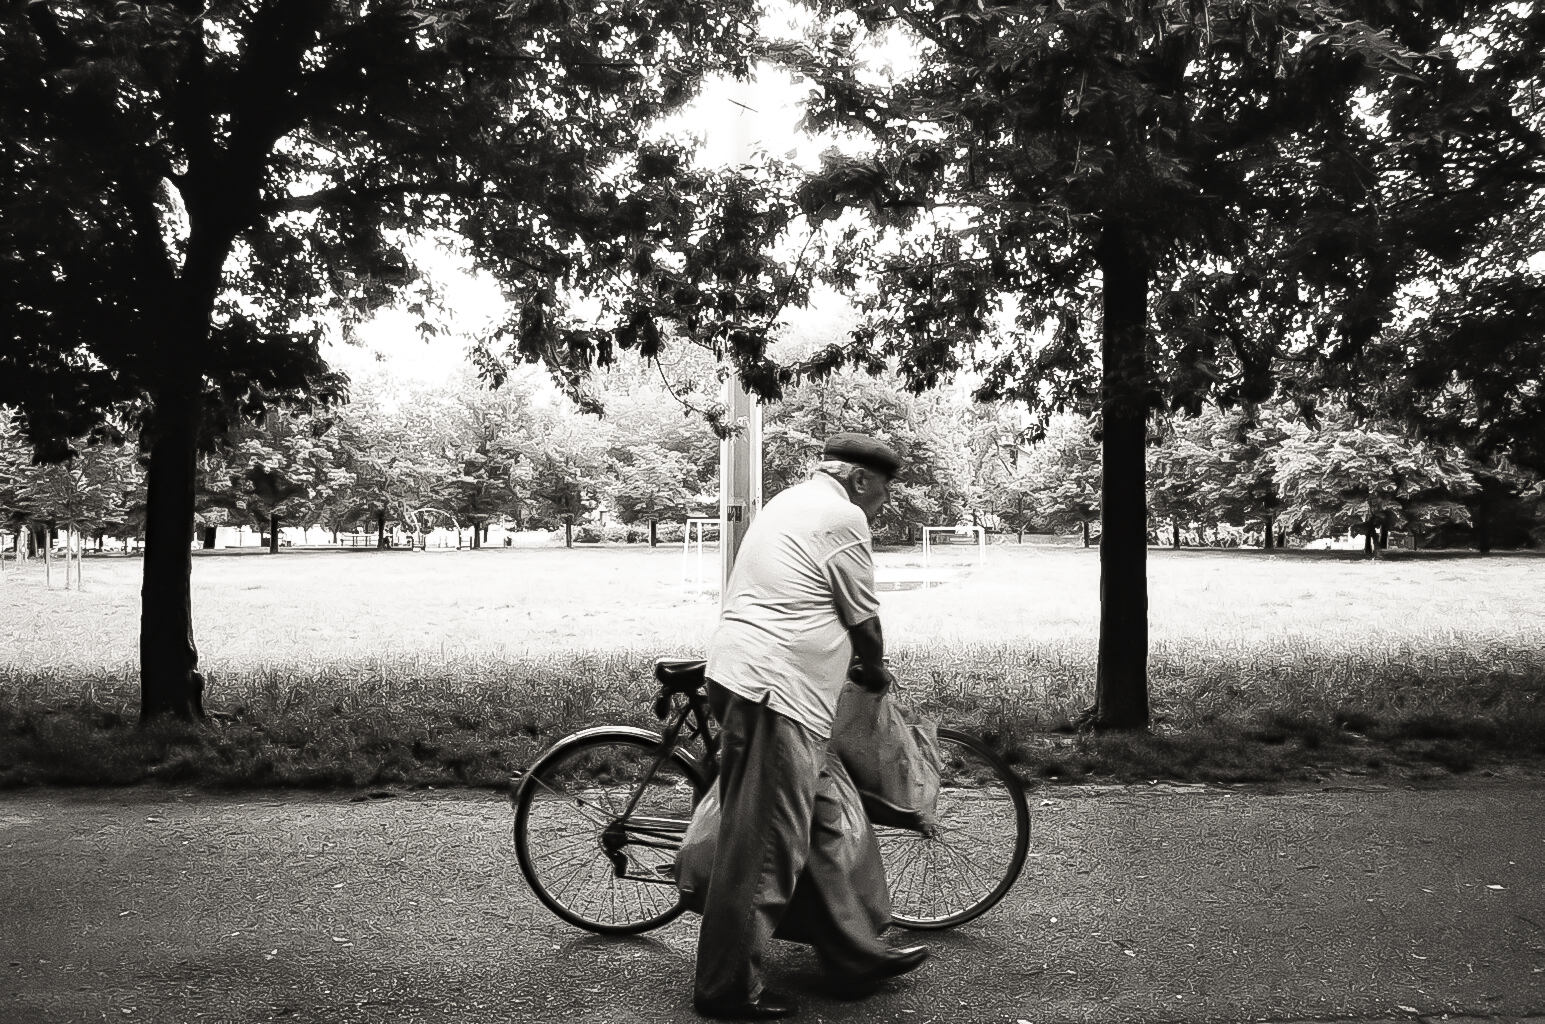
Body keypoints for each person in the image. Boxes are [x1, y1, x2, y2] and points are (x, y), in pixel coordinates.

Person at [694, 432, 929, 1021]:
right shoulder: (841, 515)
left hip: (751, 678)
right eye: (881, 492)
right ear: (859, 480)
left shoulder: (791, 500)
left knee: (823, 824)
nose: (880, 506)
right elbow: (864, 621)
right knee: (766, 846)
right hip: (778, 695)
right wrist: (874, 673)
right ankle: (725, 989)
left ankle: (854, 955)